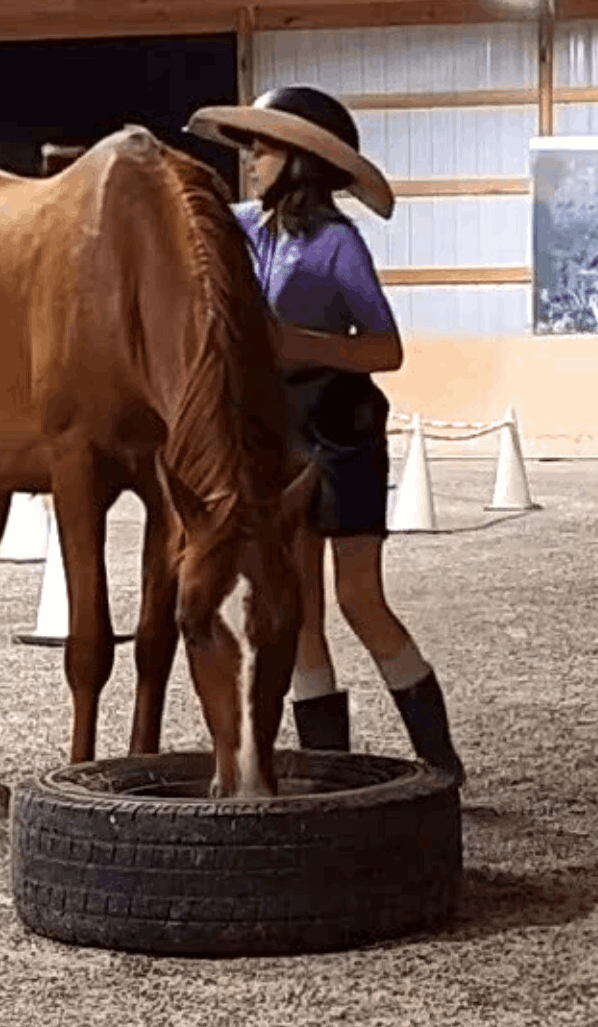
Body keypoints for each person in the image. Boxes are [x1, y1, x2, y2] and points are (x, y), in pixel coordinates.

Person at [186, 86, 465, 784]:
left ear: (303, 159)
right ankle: (332, 777)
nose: (252, 159)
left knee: (358, 600)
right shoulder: (246, 225)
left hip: (340, 430)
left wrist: (295, 343)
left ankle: (440, 764)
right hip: (277, 435)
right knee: (300, 611)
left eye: (267, 146)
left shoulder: (337, 244)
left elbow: (384, 349)